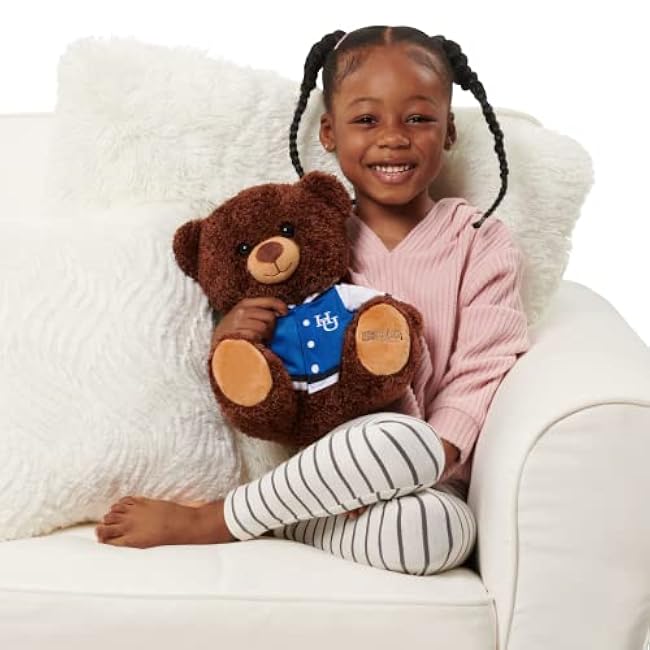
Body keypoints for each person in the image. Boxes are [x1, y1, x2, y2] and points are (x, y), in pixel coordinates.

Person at [95, 25, 530, 576]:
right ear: (329, 132)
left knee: (440, 533)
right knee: (386, 441)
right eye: (366, 120)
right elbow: (277, 356)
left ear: (449, 131)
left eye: (419, 118)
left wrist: (438, 451)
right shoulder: (306, 238)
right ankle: (219, 520)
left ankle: (290, 522)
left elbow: (484, 364)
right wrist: (233, 334)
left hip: (429, 466)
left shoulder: (479, 240)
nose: (393, 138)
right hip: (328, 460)